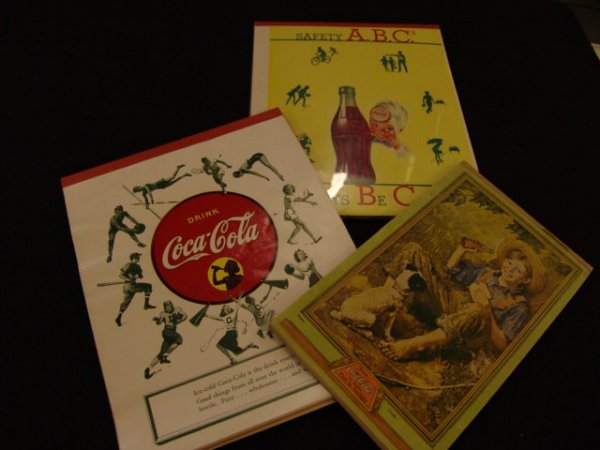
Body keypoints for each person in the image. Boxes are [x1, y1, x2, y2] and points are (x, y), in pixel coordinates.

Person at [378, 238, 546, 360]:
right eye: (509, 263)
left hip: (468, 334)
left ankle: (413, 345)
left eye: (517, 270)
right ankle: (382, 302)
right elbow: (451, 270)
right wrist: (462, 249)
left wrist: (487, 309)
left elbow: (503, 346)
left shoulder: (519, 307)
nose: (509, 269)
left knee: (476, 310)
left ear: (526, 280)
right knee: (413, 249)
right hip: (452, 308)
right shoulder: (487, 273)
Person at [330, 265, 427, 341]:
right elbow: (391, 316)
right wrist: (387, 335)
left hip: (347, 304)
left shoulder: (386, 288)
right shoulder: (398, 300)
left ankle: (343, 316)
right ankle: (355, 327)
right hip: (353, 313)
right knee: (371, 319)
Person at [202, 296, 259, 365]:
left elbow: (237, 307)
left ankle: (232, 359)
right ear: (223, 311)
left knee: (219, 345)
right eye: (224, 308)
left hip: (231, 333)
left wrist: (239, 297)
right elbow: (216, 317)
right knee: (237, 352)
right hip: (233, 334)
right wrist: (207, 315)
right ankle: (249, 346)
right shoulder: (225, 317)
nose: (225, 308)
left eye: (227, 307)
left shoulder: (232, 314)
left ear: (229, 309)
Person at [144, 300, 188, 379]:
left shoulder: (177, 309)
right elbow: (159, 322)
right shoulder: (163, 314)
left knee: (161, 353)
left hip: (171, 333)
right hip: (167, 331)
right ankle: (165, 356)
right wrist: (157, 320)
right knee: (179, 339)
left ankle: (148, 368)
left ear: (172, 305)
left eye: (169, 306)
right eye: (166, 307)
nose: (168, 308)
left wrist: (179, 320)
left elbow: (185, 315)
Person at [115, 252, 155, 326]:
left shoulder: (137, 266)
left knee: (126, 303)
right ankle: (146, 305)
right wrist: (128, 278)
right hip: (129, 286)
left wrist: (137, 276)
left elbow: (141, 276)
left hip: (130, 286)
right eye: (138, 257)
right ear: (134, 258)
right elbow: (120, 275)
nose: (139, 258)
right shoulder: (128, 265)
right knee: (148, 286)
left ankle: (118, 318)